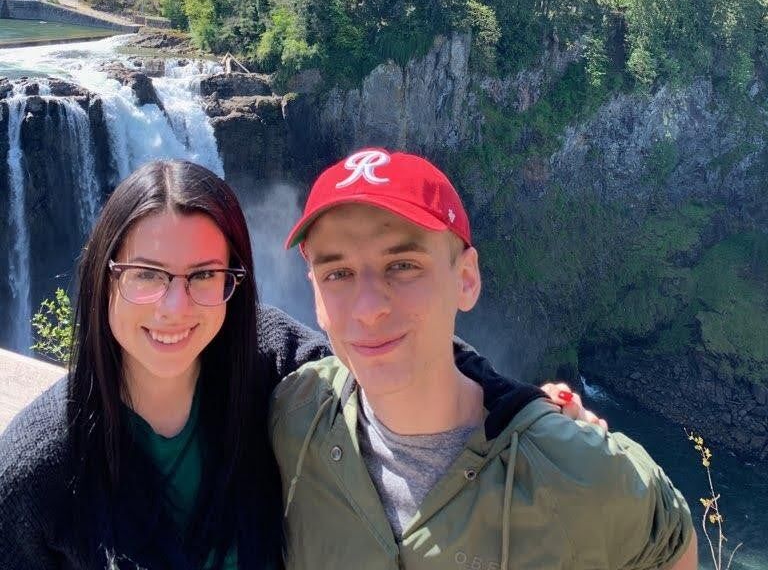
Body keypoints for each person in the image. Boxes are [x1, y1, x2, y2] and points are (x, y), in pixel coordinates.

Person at [0, 157, 595, 570]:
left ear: (235, 282)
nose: (175, 307)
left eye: (204, 275)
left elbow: (379, 359)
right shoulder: (39, 468)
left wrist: (519, 407)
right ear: (104, 279)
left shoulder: (268, 362)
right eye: (147, 275)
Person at [270, 148, 697, 570]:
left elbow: (670, 544)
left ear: (467, 279)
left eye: (402, 265)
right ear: (315, 294)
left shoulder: (577, 471)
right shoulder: (296, 414)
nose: (367, 307)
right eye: (337, 273)